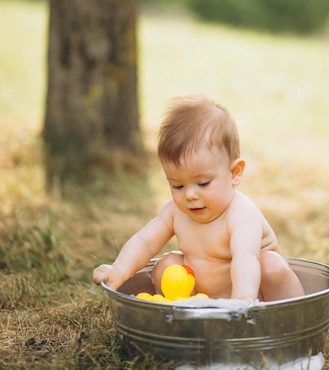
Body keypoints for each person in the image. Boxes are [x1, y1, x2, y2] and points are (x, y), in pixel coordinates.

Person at [93, 96, 304, 301]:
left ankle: (288, 319)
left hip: (254, 299)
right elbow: (145, 242)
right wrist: (120, 269)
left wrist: (243, 298)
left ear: (234, 173)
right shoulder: (176, 213)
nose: (190, 195)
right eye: (177, 185)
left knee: (271, 265)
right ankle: (190, 318)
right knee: (167, 265)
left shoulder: (241, 214)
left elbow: (246, 258)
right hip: (205, 300)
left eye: (203, 183)